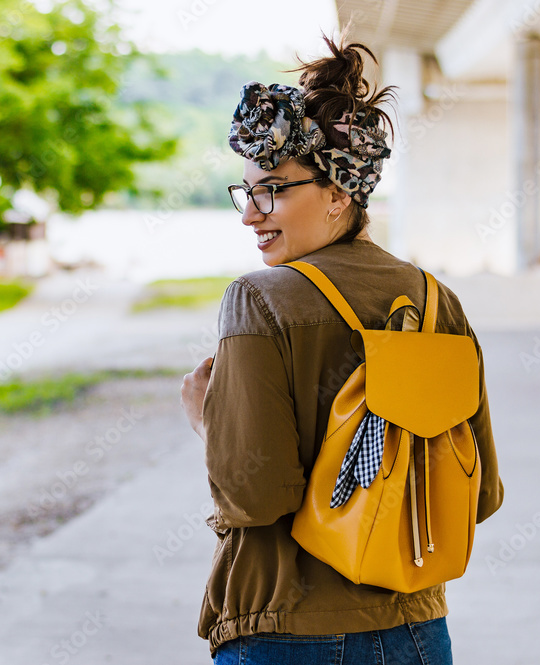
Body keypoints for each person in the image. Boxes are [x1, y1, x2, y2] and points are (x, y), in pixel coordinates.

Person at [179, 34, 504, 664]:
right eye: (245, 192)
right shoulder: (437, 300)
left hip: (286, 632)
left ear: (338, 193)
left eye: (272, 189)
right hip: (418, 632)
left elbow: (256, 495)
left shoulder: (260, 299)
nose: (251, 214)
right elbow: (481, 491)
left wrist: (205, 417)